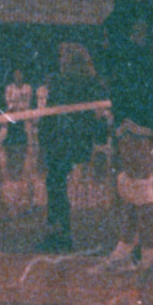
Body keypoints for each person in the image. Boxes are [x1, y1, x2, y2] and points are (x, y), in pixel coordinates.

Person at [40, 44, 107, 252]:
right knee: (55, 181)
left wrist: (44, 135)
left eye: (63, 56)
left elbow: (52, 109)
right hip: (73, 138)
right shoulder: (90, 80)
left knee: (55, 182)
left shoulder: (64, 81)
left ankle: (60, 230)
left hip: (64, 137)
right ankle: (58, 228)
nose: (60, 59)